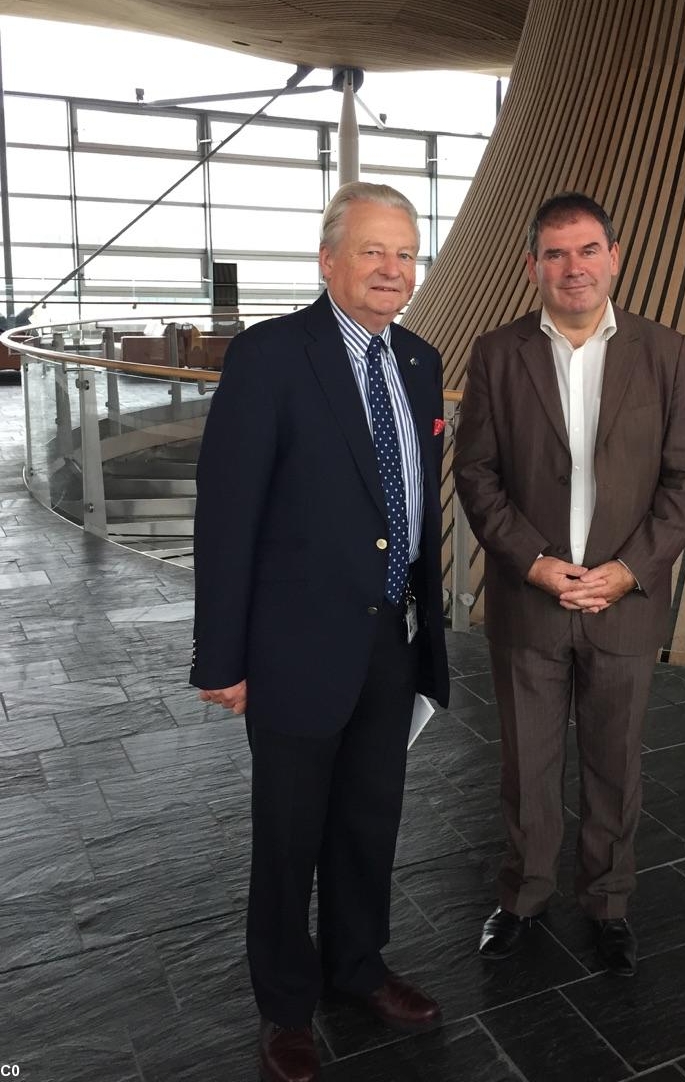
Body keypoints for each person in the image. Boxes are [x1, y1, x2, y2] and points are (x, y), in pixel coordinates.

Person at [190, 182, 449, 1082]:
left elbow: (411, 504)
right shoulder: (269, 356)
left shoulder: (419, 359)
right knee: (289, 832)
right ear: (328, 258)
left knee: (370, 820)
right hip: (294, 642)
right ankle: (286, 1007)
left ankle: (358, 968)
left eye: (407, 253)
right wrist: (221, 656)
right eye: (375, 250)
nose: (392, 269)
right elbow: (226, 515)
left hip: (392, 634)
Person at [453, 192, 685, 977]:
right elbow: (477, 473)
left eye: (588, 250)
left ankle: (608, 904)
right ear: (532, 265)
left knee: (613, 760)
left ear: (615, 257)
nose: (574, 267)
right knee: (526, 762)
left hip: (624, 600)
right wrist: (531, 560)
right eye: (557, 253)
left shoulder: (664, 353)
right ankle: (525, 898)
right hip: (529, 597)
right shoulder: (498, 354)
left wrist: (630, 570)